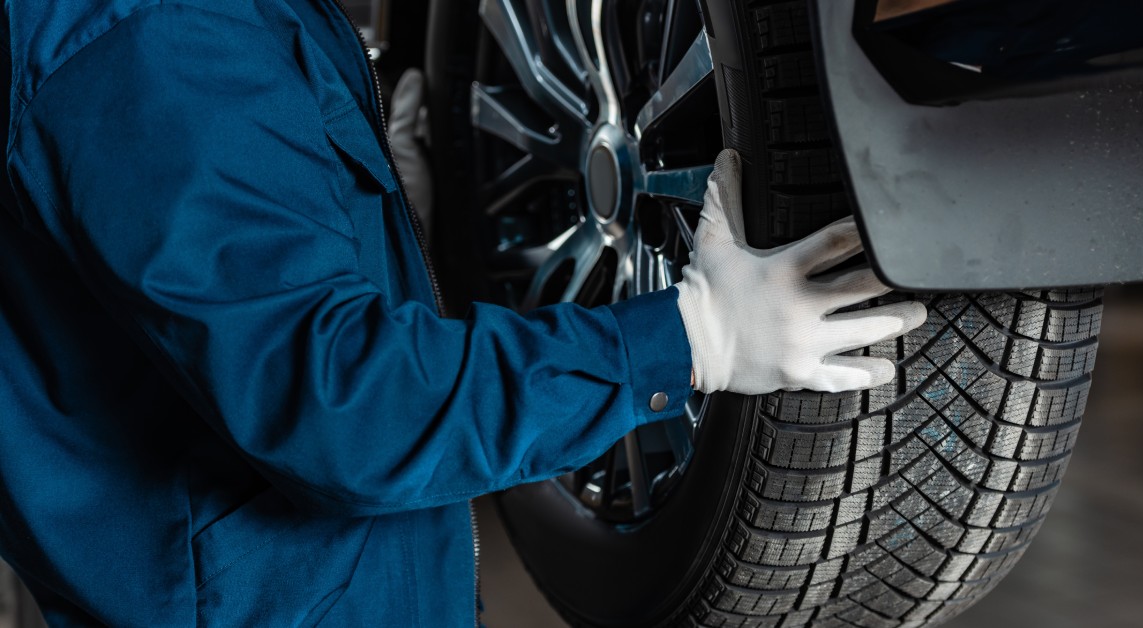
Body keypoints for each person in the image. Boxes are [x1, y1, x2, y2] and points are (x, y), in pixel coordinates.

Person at [0, 3, 925, 626]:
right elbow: (343, 411)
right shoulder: (159, 39)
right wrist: (685, 342)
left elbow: (196, 295)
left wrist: (372, 225)